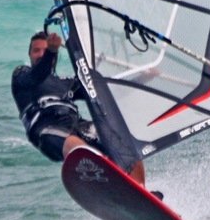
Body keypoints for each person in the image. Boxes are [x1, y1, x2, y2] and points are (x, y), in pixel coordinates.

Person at [12, 31, 148, 188]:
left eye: (45, 49)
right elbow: (38, 74)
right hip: (46, 128)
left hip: (75, 125)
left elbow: (105, 90)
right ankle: (104, 186)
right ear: (29, 54)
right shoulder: (21, 75)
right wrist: (51, 51)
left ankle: (140, 188)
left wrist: (142, 79)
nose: (41, 54)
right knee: (81, 149)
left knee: (124, 141)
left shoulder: (65, 83)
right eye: (36, 50)